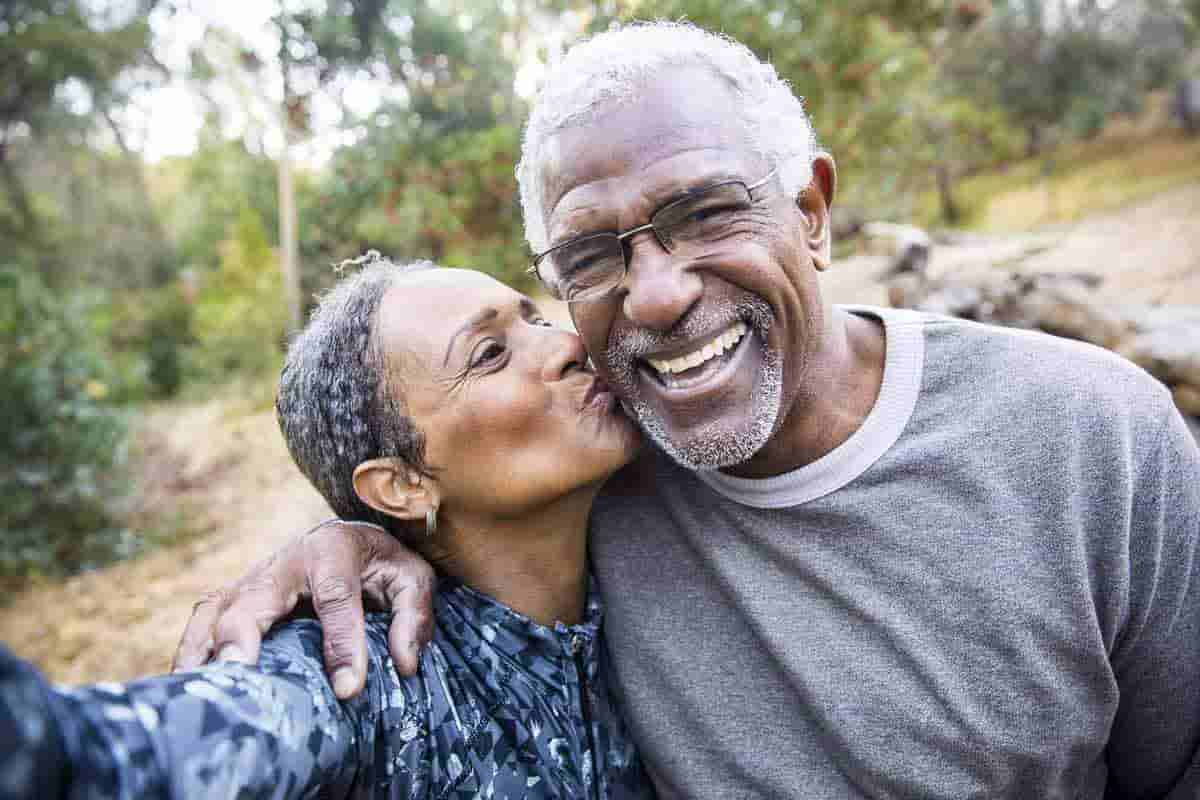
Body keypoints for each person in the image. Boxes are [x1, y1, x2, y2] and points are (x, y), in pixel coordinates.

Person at [176, 22, 1200, 799]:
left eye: (705, 211)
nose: (656, 294)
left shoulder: (1093, 438)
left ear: (812, 211)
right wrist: (341, 540)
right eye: (590, 255)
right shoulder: (594, 467)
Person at [1, 257, 652, 799]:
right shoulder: (364, 676)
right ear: (403, 484)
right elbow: (95, 759)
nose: (568, 342)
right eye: (489, 354)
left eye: (534, 315)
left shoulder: (661, 541)